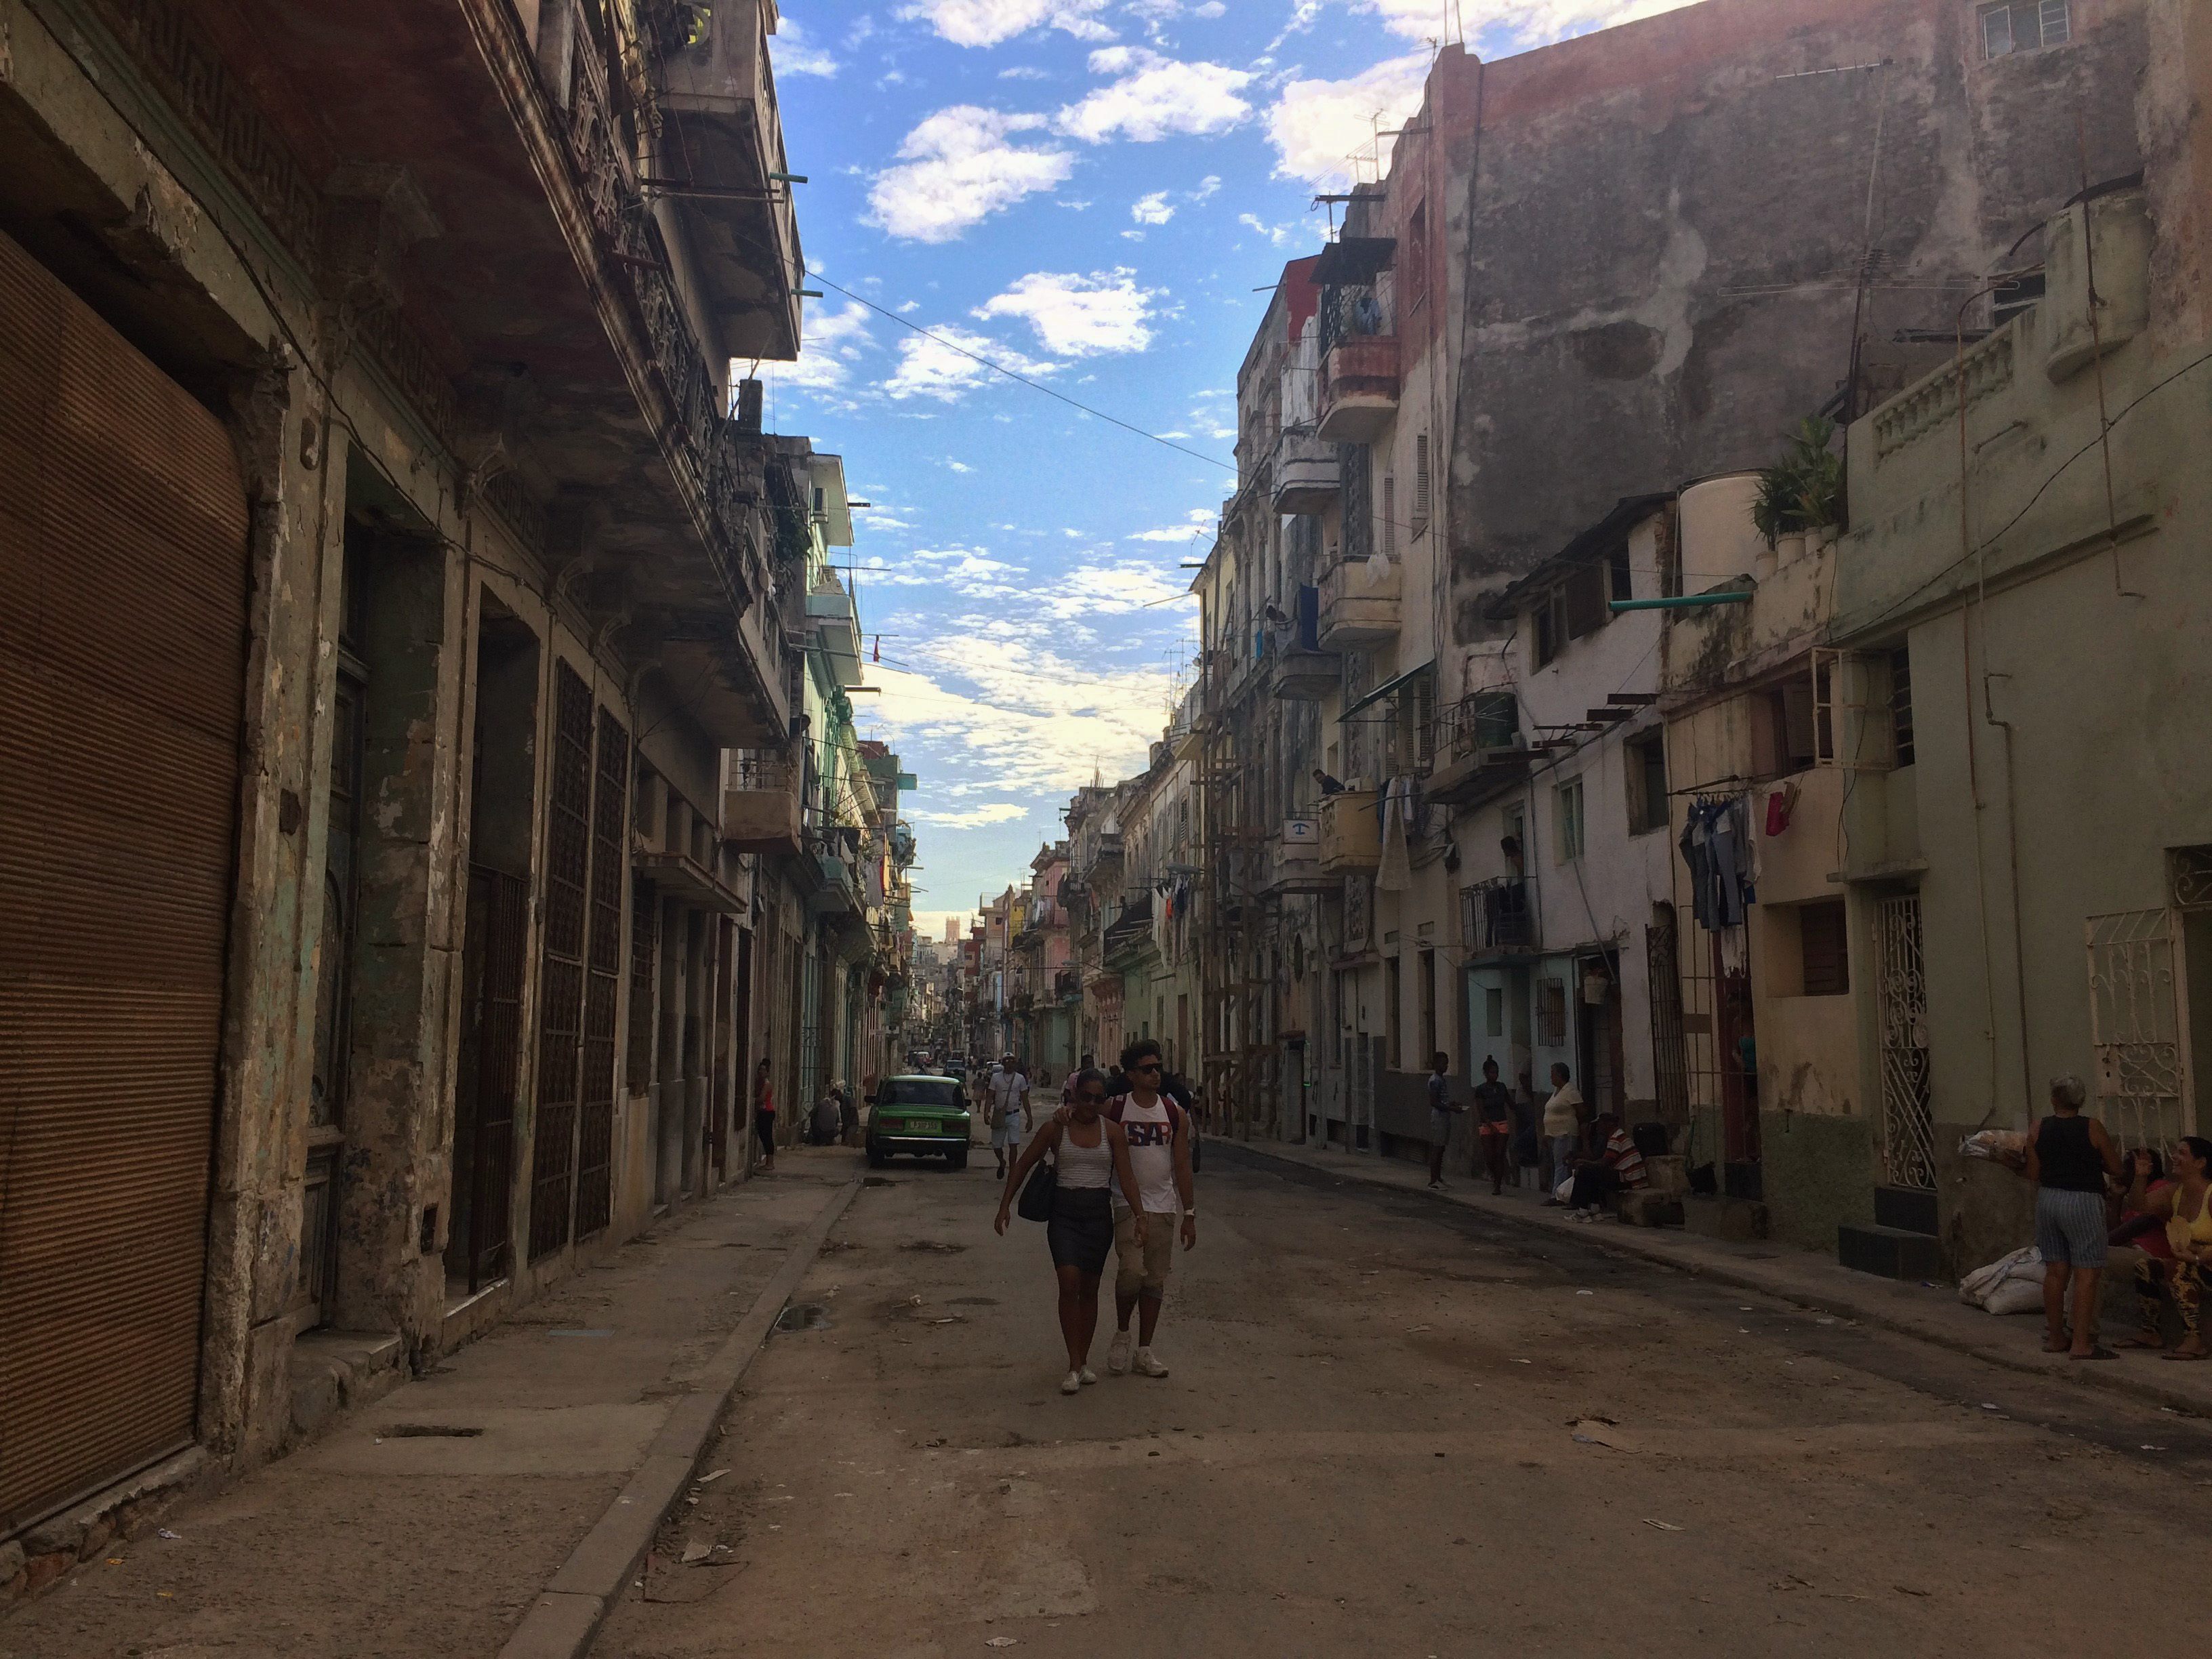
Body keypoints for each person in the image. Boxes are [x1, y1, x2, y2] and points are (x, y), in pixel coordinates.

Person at [995, 1068, 1148, 1395]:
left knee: (1090, 1289)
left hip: (1098, 1216)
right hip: (1064, 1214)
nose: (1091, 1104)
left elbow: (1127, 1177)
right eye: (1085, 1097)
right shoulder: (1056, 1128)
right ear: (1074, 1096)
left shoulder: (1113, 1133)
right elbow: (1022, 1164)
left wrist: (1140, 1215)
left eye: (1098, 1099)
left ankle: (1083, 1362)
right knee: (1069, 1283)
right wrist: (1004, 1205)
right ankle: (1074, 1363)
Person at [2019, 1075, 2123, 1359]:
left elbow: (2034, 1173)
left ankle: (2055, 1337)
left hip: (2049, 1198)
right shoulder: (2093, 1127)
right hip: (2083, 1201)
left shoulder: (2038, 1127)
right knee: (2087, 1274)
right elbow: (2115, 1167)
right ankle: (2081, 1343)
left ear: (2054, 1099)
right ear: (2081, 1100)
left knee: (2055, 1272)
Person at [2118, 1137, 2211, 1359]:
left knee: (2179, 1271)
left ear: (2200, 1163)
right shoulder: (2174, 1192)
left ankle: (2194, 1340)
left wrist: (2198, 1256)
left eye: (2182, 1153)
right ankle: (2151, 1333)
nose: (2174, 1157)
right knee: (2146, 1267)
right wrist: (2140, 1176)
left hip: (2206, 1264)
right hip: (2192, 1263)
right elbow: (2139, 1206)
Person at [1564, 1111, 1648, 1221]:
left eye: (1600, 1124)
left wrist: (1584, 1162)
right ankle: (1595, 1209)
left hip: (1628, 1179)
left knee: (1586, 1171)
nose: (1598, 1128)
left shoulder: (1616, 1138)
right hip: (1628, 1177)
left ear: (1609, 1124)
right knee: (1591, 1172)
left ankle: (1583, 1211)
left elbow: (1604, 1163)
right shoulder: (1616, 1136)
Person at [1540, 1063, 1584, 1205]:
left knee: (1562, 1165)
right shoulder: (1556, 1091)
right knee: (1557, 1164)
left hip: (1565, 1133)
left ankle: (1558, 1196)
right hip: (1554, 1134)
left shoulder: (1570, 1090)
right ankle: (1559, 1193)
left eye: (1553, 1073)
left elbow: (1581, 1111)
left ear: (1560, 1075)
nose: (1551, 1076)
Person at [1471, 1057, 1514, 1195]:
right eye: (1491, 1073)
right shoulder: (1481, 1090)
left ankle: (1497, 1186)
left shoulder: (1501, 1087)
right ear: (1485, 1074)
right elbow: (1481, 1110)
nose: (1494, 1075)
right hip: (1487, 1124)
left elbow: (1510, 1103)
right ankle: (1495, 1175)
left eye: (1496, 1073)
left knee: (1499, 1153)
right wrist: (1490, 1124)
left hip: (1502, 1123)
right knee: (1489, 1156)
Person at [989, 1055, 1031, 1179]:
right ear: (1003, 1063)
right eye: (1007, 1062)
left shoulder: (1020, 1079)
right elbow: (990, 1095)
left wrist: (1030, 1118)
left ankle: (1013, 1171)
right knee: (997, 1146)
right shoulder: (996, 1078)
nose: (1009, 1064)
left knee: (1014, 1144)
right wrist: (986, 1112)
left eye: (1012, 1062)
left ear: (1015, 1064)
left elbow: (1024, 1099)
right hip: (999, 1116)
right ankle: (1002, 1161)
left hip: (1014, 1115)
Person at [1426, 1052, 1462, 1191]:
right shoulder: (1435, 1080)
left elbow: (1441, 1100)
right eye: (1443, 1063)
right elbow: (1434, 1102)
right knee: (1437, 1148)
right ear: (1436, 1064)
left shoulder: (1441, 1079)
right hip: (1439, 1118)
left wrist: (1451, 1104)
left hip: (1445, 1116)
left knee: (1441, 1148)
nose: (1445, 1066)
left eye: (1446, 1063)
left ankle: (1438, 1177)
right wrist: (1451, 1108)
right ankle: (1433, 1180)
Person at [752, 1057, 776, 1174]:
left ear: (767, 1072)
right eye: (760, 1069)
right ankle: (768, 1162)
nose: (761, 1072)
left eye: (763, 1070)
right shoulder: (760, 1083)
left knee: (767, 1137)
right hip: (763, 1112)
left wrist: (752, 1100)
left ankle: (770, 1162)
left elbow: (762, 1099)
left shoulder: (767, 1085)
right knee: (763, 1136)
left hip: (767, 1112)